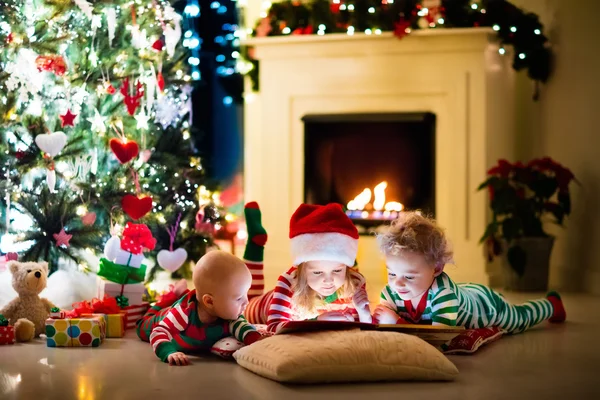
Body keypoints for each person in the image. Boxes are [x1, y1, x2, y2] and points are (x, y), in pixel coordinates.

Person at [373, 211, 566, 333]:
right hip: (465, 291)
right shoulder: (392, 292)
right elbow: (379, 320)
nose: (397, 283)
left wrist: (397, 322)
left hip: (487, 306)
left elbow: (439, 339)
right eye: (391, 274)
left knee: (520, 318)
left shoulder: (443, 295)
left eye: (408, 276)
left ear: (437, 268)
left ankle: (551, 305)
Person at [137, 250, 261, 365]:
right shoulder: (182, 314)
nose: (246, 301)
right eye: (239, 298)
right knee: (143, 324)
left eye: (246, 294)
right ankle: (172, 296)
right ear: (210, 302)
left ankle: (182, 293)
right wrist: (169, 352)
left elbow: (244, 328)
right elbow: (158, 332)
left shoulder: (230, 314)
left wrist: (257, 340)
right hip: (160, 319)